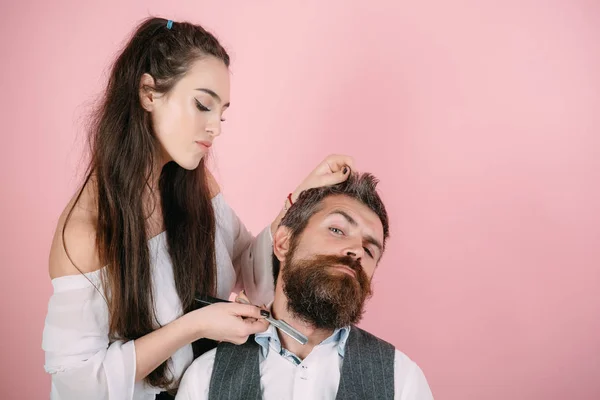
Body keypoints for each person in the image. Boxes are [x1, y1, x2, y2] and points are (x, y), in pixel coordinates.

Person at [41, 16, 354, 400]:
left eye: (221, 113)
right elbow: (77, 382)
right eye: (203, 105)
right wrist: (194, 327)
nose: (216, 128)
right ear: (148, 93)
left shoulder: (194, 186)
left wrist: (300, 197)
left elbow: (247, 265)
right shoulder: (87, 231)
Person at [176, 172, 434, 400]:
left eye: (369, 249)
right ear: (283, 243)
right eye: (337, 230)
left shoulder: (402, 381)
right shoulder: (205, 379)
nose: (356, 250)